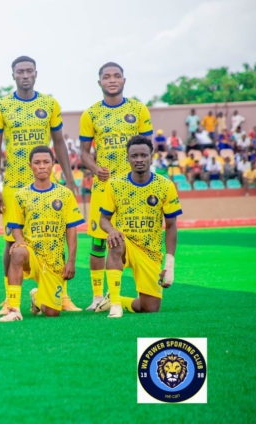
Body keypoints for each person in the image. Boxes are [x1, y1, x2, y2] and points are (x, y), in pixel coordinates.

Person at [0, 55, 76, 315]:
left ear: (36, 74)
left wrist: (69, 179)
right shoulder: (1, 106)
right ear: (13, 75)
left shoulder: (49, 104)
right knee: (11, 241)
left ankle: (61, 296)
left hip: (48, 183)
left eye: (29, 71)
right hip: (14, 184)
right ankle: (10, 299)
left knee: (56, 236)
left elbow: (59, 142)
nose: (25, 75)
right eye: (20, 71)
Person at [79, 62, 153, 311]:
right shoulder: (90, 114)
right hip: (104, 187)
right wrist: (94, 169)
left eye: (117, 76)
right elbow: (84, 153)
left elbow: (147, 148)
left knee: (136, 239)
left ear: (124, 80)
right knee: (99, 243)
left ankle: (128, 294)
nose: (112, 80)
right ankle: (97, 297)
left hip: (133, 188)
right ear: (99, 82)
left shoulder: (138, 109)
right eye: (107, 77)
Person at [95, 136, 182, 317]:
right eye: (134, 156)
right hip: (126, 243)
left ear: (152, 156)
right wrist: (112, 231)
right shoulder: (115, 184)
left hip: (150, 251)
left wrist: (170, 264)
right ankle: (115, 304)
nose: (139, 159)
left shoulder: (165, 186)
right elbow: (104, 220)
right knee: (116, 241)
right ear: (128, 158)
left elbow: (171, 226)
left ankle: (116, 300)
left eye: (144, 155)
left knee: (150, 308)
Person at [0, 146, 84, 321]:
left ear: (53, 164)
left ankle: (36, 298)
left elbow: (71, 229)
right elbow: (16, 226)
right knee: (17, 252)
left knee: (52, 313)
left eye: (46, 162)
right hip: (31, 255)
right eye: (37, 162)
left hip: (54, 262)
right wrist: (19, 240)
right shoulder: (21, 195)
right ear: (30, 166)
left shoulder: (65, 194)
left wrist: (71, 261)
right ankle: (13, 309)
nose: (42, 166)